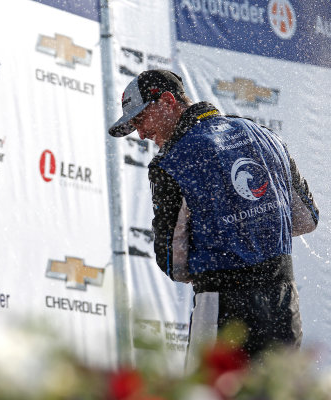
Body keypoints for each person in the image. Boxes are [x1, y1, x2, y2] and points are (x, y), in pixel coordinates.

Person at [109, 70, 319, 365]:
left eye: (141, 119)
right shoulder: (265, 136)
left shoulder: (173, 161)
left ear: (168, 101)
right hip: (283, 302)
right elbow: (306, 219)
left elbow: (173, 262)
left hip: (223, 306)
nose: (141, 134)